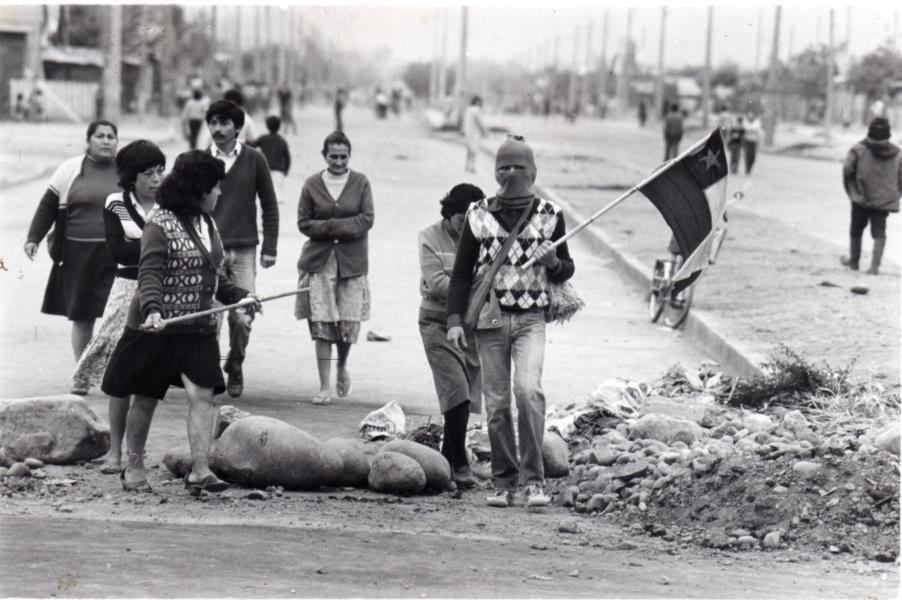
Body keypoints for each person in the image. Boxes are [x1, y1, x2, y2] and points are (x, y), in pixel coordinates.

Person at [101, 150, 259, 495]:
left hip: (197, 326)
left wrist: (239, 296)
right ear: (198, 190)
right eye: (215, 188)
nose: (220, 194)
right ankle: (134, 466)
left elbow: (213, 275)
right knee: (145, 397)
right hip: (155, 327)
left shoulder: (207, 222)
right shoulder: (159, 222)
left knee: (203, 394)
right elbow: (150, 273)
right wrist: (155, 311)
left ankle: (200, 470)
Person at [446, 136, 575, 509]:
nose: (511, 174)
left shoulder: (551, 214)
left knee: (528, 392)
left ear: (532, 171)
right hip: (489, 320)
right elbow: (460, 274)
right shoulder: (478, 213)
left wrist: (553, 264)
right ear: (495, 171)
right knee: (497, 402)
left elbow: (567, 268)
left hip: (531, 319)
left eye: (519, 167)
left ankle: (534, 481)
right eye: (504, 167)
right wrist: (455, 319)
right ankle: (504, 482)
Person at [71, 141, 165, 469]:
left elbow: (134, 247)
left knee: (152, 373)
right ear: (130, 177)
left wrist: (142, 245)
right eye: (148, 173)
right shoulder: (116, 202)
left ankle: (138, 454)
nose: (157, 179)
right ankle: (114, 451)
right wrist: (157, 246)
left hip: (163, 290)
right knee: (120, 371)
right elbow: (118, 252)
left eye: (160, 171)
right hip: (126, 288)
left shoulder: (171, 203)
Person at [24, 120, 121, 369]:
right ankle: (83, 371)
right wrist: (33, 238)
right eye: (100, 136)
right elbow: (48, 205)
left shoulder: (126, 170)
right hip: (79, 254)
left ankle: (115, 372)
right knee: (82, 316)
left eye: (111, 136)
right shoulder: (70, 169)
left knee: (119, 316)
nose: (106, 141)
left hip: (118, 254)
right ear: (88, 141)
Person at [204, 99, 279, 397]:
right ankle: (208, 376)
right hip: (208, 252)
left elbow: (270, 205)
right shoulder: (200, 160)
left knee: (243, 316)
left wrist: (270, 247)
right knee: (210, 317)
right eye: (212, 123)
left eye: (224, 123)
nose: (217, 129)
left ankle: (235, 364)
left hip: (245, 250)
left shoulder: (254, 159)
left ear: (237, 127)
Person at [296, 131, 374, 405]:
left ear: (349, 156)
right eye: (333, 156)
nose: (339, 162)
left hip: (352, 263)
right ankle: (324, 385)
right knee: (322, 324)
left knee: (347, 324)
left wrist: (329, 227)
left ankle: (342, 366)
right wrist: (334, 228)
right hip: (320, 262)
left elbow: (366, 219)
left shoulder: (361, 182)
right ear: (324, 156)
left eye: (343, 157)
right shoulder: (311, 184)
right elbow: (304, 222)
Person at [418, 183, 485, 490]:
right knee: (455, 388)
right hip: (436, 322)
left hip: (471, 326)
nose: (467, 227)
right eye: (461, 220)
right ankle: (460, 463)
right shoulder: (429, 237)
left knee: (467, 396)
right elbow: (437, 283)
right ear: (449, 214)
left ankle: (447, 456)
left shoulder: (484, 237)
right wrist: (476, 286)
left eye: (473, 220)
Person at [840, 117, 902, 275]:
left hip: (861, 198)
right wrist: (893, 195)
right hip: (884, 201)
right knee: (879, 232)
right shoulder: (898, 154)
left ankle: (854, 263)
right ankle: (874, 267)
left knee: (856, 230)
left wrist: (852, 192)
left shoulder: (858, 149)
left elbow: (847, 171)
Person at [255, 115, 291, 204]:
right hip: (278, 169)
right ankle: (278, 199)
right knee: (278, 187)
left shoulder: (263, 138)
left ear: (267, 126)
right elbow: (287, 157)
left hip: (265, 167)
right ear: (279, 127)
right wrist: (286, 169)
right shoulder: (282, 141)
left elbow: (252, 145)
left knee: (265, 186)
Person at [462, 96, 487, 174]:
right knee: (474, 150)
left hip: (467, 132)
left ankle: (467, 166)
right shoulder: (476, 110)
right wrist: (485, 131)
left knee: (469, 149)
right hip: (474, 132)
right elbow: (480, 122)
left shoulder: (469, 109)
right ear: (477, 102)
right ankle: (472, 167)